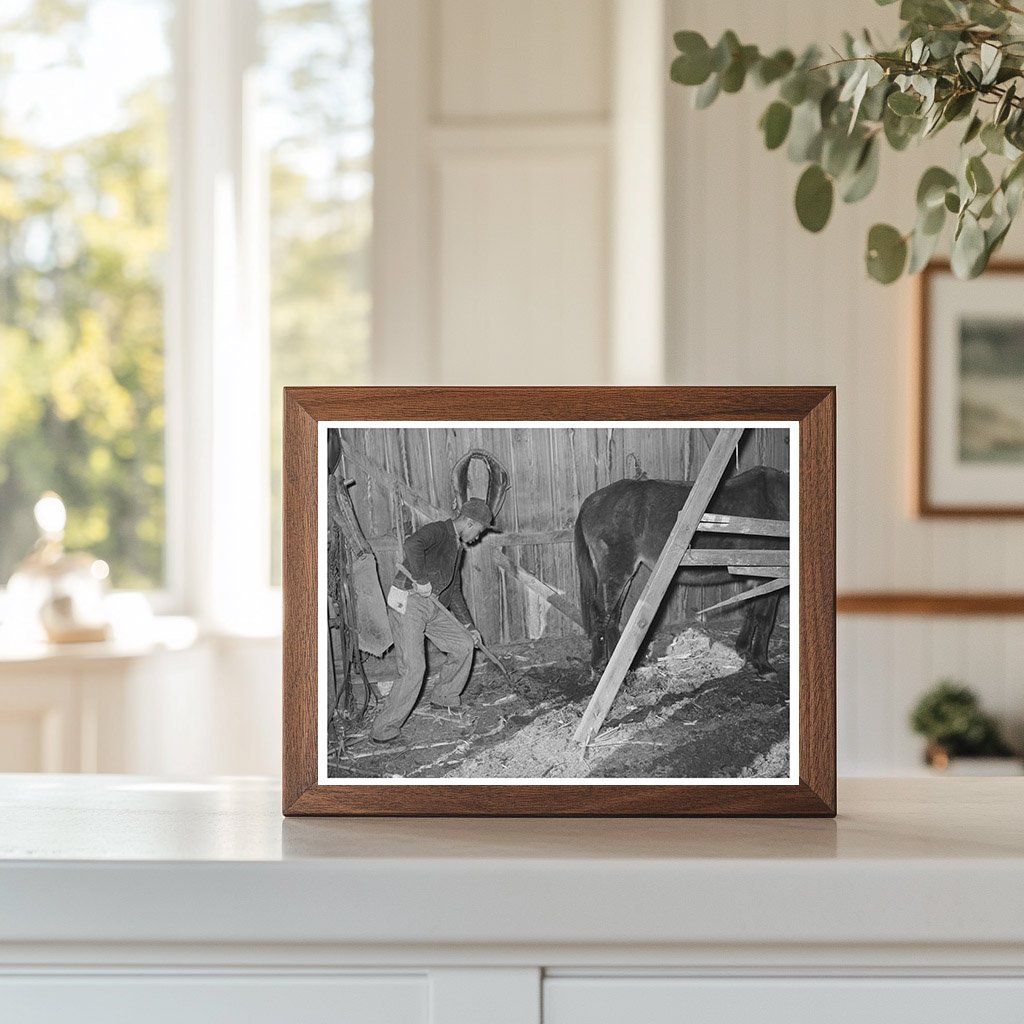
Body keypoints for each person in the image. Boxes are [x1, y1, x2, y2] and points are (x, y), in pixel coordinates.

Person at [371, 498, 497, 743]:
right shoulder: (439, 531)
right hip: (409, 601)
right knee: (414, 668)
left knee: (462, 644)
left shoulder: (456, 547)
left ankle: (444, 697)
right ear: (469, 523)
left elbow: (455, 590)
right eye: (479, 531)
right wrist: (419, 578)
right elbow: (412, 544)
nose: (477, 537)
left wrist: (469, 626)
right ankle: (383, 729)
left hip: (433, 603)